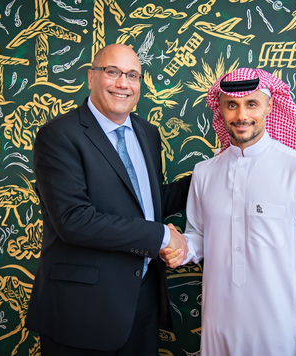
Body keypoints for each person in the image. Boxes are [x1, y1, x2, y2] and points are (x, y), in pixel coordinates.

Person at [26, 43, 190, 356]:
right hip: (82, 310)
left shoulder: (147, 133)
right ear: (91, 77)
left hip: (142, 300)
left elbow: (151, 202)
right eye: (112, 72)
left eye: (132, 75)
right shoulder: (59, 135)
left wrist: (215, 175)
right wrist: (162, 235)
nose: (122, 83)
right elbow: (73, 220)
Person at [161, 68, 296, 355]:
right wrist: (181, 246)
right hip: (218, 330)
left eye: (251, 103)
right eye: (232, 105)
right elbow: (201, 237)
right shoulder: (204, 173)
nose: (241, 115)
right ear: (221, 110)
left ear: (269, 106)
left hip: (282, 332)